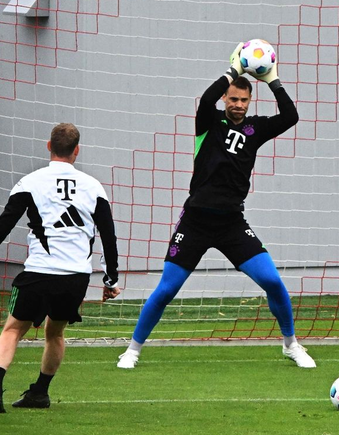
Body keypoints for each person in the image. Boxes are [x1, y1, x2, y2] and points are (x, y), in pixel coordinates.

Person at [117, 43, 315, 369]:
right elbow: (206, 99)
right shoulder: (209, 121)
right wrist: (235, 71)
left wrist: (273, 79)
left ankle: (291, 344)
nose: (237, 105)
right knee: (167, 289)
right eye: (233, 99)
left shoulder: (256, 128)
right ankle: (133, 350)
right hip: (195, 221)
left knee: (273, 282)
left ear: (250, 101)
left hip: (231, 224)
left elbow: (291, 116)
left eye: (243, 100)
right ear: (226, 99)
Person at [0, 123, 122, 413]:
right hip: (75, 278)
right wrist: (110, 279)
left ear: (48, 147)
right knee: (55, 333)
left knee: (12, 330)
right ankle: (40, 392)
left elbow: (5, 221)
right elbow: (108, 236)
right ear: (77, 151)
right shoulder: (94, 187)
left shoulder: (30, 182)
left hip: (38, 273)